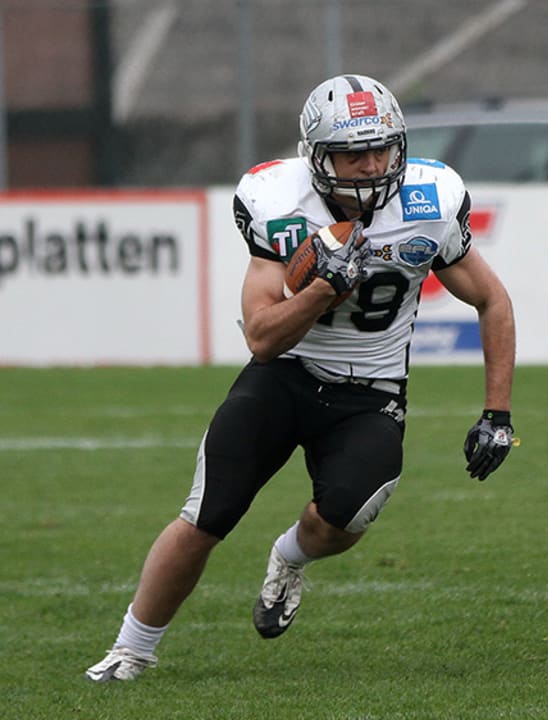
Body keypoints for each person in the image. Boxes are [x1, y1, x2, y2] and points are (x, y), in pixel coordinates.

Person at [85, 74, 517, 682]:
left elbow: (493, 302)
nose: (370, 166)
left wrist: (497, 414)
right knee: (207, 513)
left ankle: (288, 559)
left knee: (345, 516)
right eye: (352, 153)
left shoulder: (431, 200)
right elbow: (262, 338)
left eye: (381, 148)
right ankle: (131, 649)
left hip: (372, 390)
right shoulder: (277, 203)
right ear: (316, 157)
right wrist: (320, 289)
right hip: (286, 374)